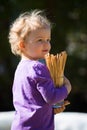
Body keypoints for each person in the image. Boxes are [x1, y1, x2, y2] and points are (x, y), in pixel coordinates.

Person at [8, 9, 71, 130]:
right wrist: (67, 88)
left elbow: (32, 103)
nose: (46, 44)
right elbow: (52, 97)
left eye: (48, 40)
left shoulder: (21, 68)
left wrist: (51, 110)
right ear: (22, 45)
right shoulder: (38, 68)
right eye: (40, 40)